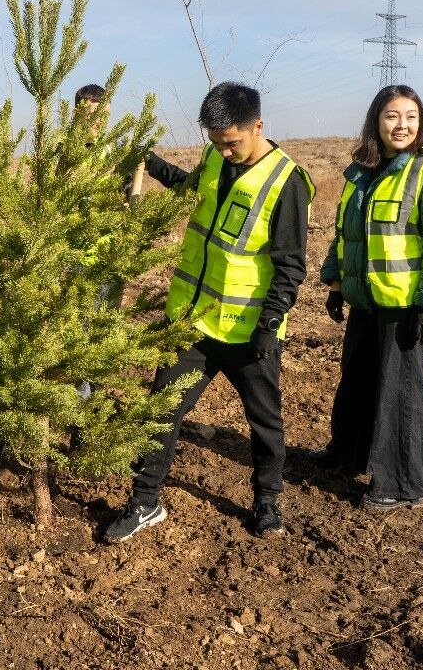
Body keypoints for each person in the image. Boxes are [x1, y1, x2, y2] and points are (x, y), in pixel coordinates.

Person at [105, 82, 314, 542]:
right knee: (160, 410)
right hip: (193, 323)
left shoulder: (286, 182)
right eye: (217, 143)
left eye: (232, 142)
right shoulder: (218, 159)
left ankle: (267, 501)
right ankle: (145, 502)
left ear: (257, 126)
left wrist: (271, 323)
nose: (225, 151)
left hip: (249, 331)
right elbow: (190, 190)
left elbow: (290, 264)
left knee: (265, 423)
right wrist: (151, 162)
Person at [312, 85, 423, 512]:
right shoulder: (363, 170)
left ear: (422, 122)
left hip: (406, 305)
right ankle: (347, 455)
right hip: (365, 298)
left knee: (401, 392)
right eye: (393, 116)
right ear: (376, 120)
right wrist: (337, 283)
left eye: (411, 116)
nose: (402, 125)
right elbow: (347, 233)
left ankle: (402, 482)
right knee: (356, 379)